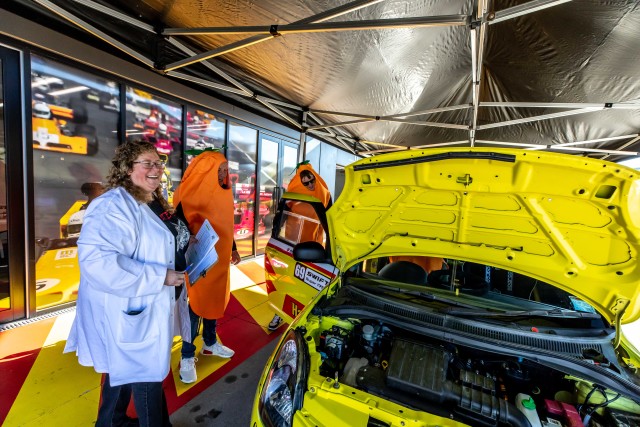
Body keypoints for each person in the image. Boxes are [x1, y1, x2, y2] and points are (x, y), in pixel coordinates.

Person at [64, 141, 191, 426]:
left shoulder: (148, 200)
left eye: (158, 163)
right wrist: (161, 276)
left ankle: (111, 422)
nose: (156, 169)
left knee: (121, 368)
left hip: (144, 306)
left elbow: (157, 239)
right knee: (146, 374)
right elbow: (98, 263)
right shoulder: (112, 205)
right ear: (126, 168)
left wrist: (185, 244)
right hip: (128, 308)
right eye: (147, 163)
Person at [173, 150, 241, 384]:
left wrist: (233, 248)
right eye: (220, 170)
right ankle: (187, 355)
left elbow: (226, 223)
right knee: (195, 307)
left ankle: (210, 343)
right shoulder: (187, 193)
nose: (224, 174)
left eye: (225, 170)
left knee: (213, 301)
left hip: (218, 259)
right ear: (206, 170)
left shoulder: (224, 193)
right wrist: (187, 238)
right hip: (197, 258)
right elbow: (177, 226)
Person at [268, 163, 332, 331]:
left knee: (307, 284)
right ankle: (279, 312)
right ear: (300, 183)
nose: (310, 185)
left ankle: (305, 315)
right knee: (285, 280)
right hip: (291, 243)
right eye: (306, 183)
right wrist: (275, 238)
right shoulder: (292, 195)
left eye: (312, 181)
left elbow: (331, 220)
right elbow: (280, 218)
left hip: (313, 246)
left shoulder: (324, 195)